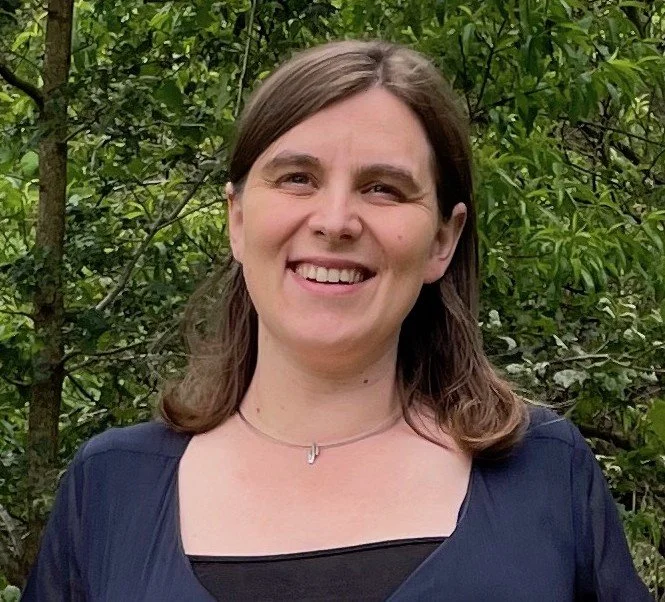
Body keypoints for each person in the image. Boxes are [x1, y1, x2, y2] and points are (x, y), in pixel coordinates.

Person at [23, 39, 650, 601]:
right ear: (237, 219)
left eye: (384, 188)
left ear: (443, 239)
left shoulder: (544, 476)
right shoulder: (112, 491)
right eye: (298, 178)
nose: (335, 221)